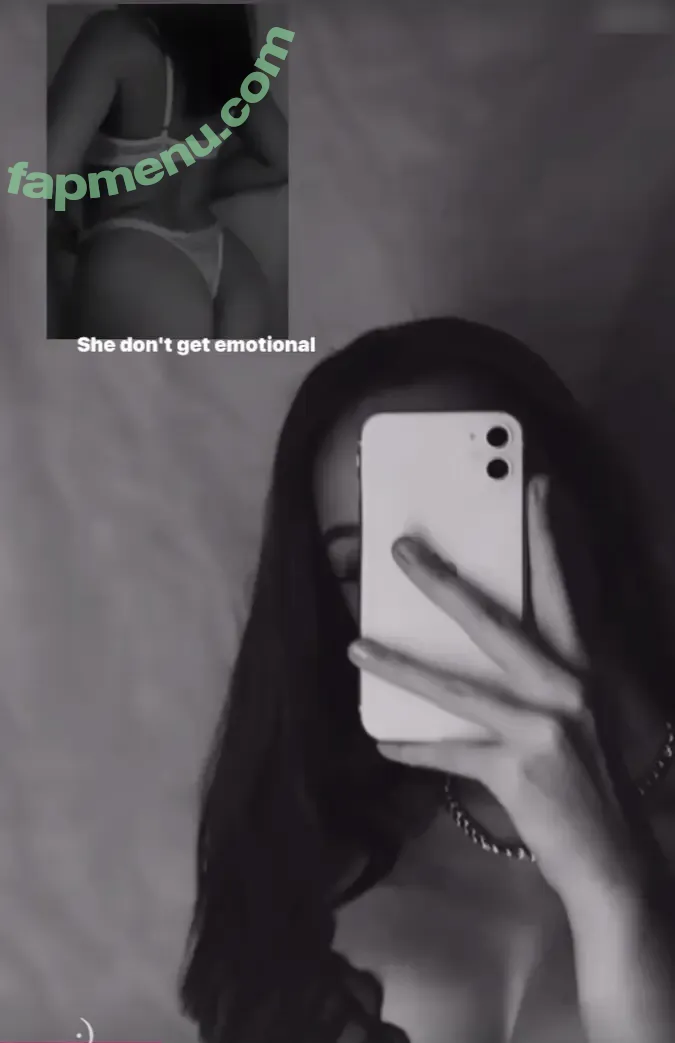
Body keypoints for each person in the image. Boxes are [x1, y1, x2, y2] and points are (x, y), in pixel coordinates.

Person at [179, 317, 675, 1043]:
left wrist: (612, 885)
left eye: (466, 532)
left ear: (588, 512)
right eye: (360, 565)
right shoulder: (319, 861)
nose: (432, 592)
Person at [47, 4, 287, 338]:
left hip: (135, 254)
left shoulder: (116, 36)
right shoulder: (229, 53)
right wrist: (197, 183)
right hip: (233, 274)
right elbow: (282, 160)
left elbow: (48, 172)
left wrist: (62, 227)